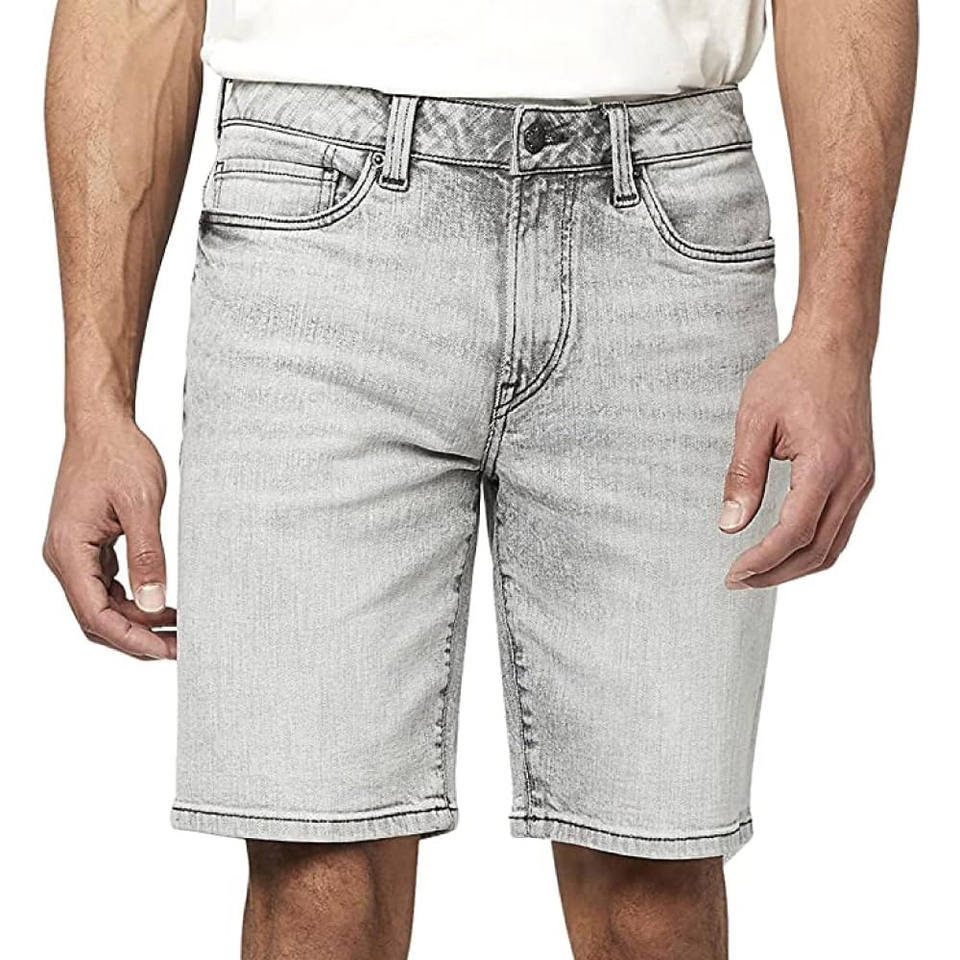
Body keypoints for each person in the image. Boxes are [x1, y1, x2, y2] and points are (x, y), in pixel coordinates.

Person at [41, 1, 917, 958]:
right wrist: (96, 406)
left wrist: (840, 329)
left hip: (666, 224)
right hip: (312, 235)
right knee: (316, 887)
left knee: (655, 888)